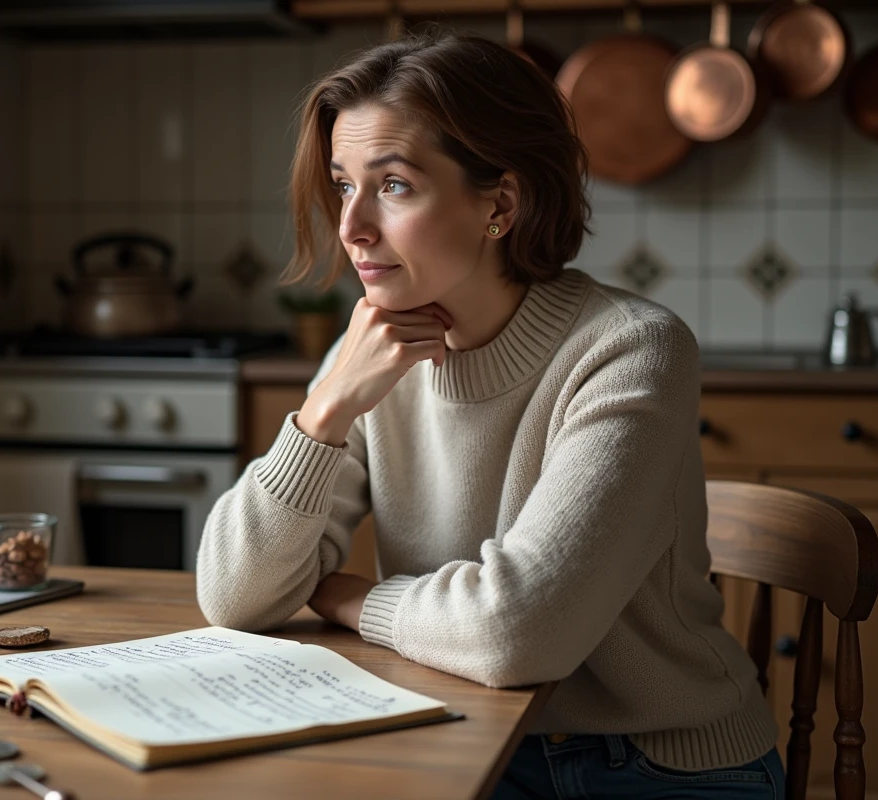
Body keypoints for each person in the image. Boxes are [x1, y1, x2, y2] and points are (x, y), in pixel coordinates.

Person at [195, 29, 785, 798]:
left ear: (499, 205)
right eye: (344, 184)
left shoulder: (633, 349)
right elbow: (234, 597)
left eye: (394, 185)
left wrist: (346, 596)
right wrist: (325, 407)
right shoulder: (374, 346)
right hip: (465, 734)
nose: (352, 227)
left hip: (651, 763)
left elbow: (517, 633)